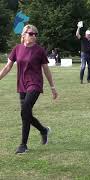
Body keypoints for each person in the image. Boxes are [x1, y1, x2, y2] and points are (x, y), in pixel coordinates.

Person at [0, 24, 58, 154]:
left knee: (25, 110)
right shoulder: (17, 49)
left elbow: (46, 69)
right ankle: (43, 130)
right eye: (31, 34)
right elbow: (8, 67)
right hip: (22, 85)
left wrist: (53, 87)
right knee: (26, 114)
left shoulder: (39, 50)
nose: (34, 36)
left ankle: (23, 145)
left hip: (35, 84)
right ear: (24, 35)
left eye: (35, 34)